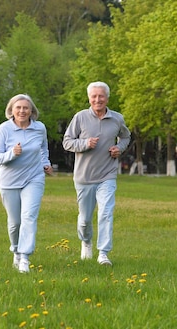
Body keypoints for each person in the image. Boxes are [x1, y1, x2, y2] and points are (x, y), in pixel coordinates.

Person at [62, 81, 131, 266]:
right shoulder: (80, 117)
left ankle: (103, 254)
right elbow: (67, 142)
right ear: (89, 98)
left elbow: (126, 136)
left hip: (107, 175)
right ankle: (86, 241)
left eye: (101, 96)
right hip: (84, 177)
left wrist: (119, 148)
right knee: (84, 220)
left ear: (107, 98)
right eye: (94, 96)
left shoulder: (117, 119)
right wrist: (85, 144)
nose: (97, 99)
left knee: (106, 213)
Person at [0, 94, 53, 273]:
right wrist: (12, 153)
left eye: (26, 108)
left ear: (31, 111)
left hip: (34, 179)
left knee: (29, 217)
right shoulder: (4, 129)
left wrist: (45, 163)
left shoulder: (39, 128)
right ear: (11, 110)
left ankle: (25, 258)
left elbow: (43, 148)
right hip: (9, 181)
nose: (22, 111)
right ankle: (16, 250)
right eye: (18, 108)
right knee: (15, 222)